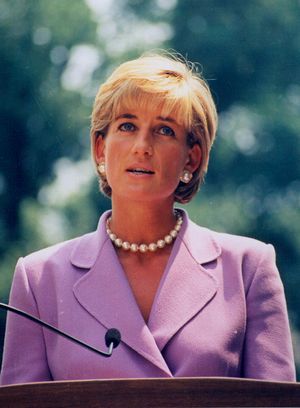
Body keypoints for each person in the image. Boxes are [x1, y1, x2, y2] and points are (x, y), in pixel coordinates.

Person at [0, 51, 296, 385]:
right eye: (127, 126)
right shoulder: (39, 279)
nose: (142, 146)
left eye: (165, 130)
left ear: (192, 158)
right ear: (100, 149)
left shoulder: (249, 269)